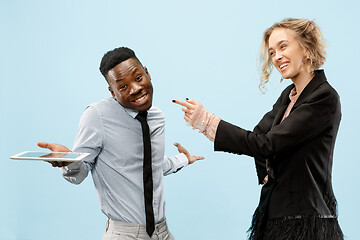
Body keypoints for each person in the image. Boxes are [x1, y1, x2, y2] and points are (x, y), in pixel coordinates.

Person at [173, 18, 344, 240]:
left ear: (305, 47)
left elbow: (267, 144)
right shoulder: (288, 96)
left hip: (306, 220)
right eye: (272, 52)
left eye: (283, 47)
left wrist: (207, 122)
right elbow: (259, 135)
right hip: (275, 215)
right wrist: (267, 174)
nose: (277, 57)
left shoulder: (324, 97)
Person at [38, 47, 204, 240]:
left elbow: (150, 164)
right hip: (125, 235)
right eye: (123, 86)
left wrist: (184, 159)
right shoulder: (97, 115)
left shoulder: (157, 117)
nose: (135, 89)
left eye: (138, 78)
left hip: (162, 232)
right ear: (113, 92)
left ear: (147, 73)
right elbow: (80, 172)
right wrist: (69, 160)